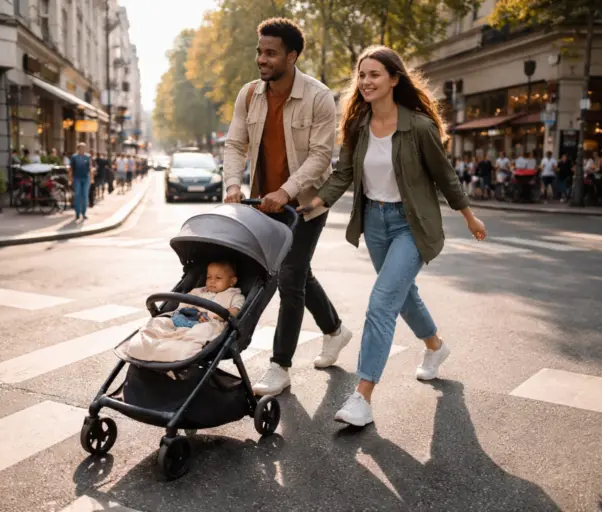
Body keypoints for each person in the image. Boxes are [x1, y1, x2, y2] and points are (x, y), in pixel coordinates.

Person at [301, 45, 487, 427]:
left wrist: (468, 215)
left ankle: (362, 397)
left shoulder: (417, 126)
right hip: (375, 223)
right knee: (403, 295)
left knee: (382, 303)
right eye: (362, 75)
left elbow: (444, 174)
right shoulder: (357, 125)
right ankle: (435, 347)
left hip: (411, 224)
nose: (366, 82)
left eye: (374, 75)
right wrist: (316, 202)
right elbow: (344, 174)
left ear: (394, 79)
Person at [223, 17, 352, 396]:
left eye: (271, 53)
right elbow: (235, 144)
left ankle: (280, 365)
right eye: (259, 51)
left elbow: (320, 155)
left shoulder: (318, 97)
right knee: (298, 273)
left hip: (305, 205)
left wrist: (286, 191)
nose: (262, 59)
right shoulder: (249, 95)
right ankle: (334, 329)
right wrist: (232, 182)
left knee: (290, 277)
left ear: (292, 56)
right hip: (263, 205)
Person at [117, 261, 246, 363]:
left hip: (210, 322)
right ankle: (154, 338)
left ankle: (182, 342)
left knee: (205, 329)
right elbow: (183, 303)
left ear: (232, 281)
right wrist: (186, 310)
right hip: (184, 318)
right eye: (209, 277)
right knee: (160, 321)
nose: (212, 281)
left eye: (218, 277)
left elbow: (235, 311)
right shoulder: (199, 291)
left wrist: (220, 314)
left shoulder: (234, 295)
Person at [68, 142, 94, 221]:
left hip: (86, 178)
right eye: (81, 148)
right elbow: (71, 169)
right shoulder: (74, 157)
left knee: (85, 195)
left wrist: (92, 178)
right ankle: (77, 213)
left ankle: (84, 213)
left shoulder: (88, 156)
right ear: (78, 149)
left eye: (84, 148)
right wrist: (70, 179)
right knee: (77, 195)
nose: (83, 149)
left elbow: (90, 168)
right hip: (77, 178)